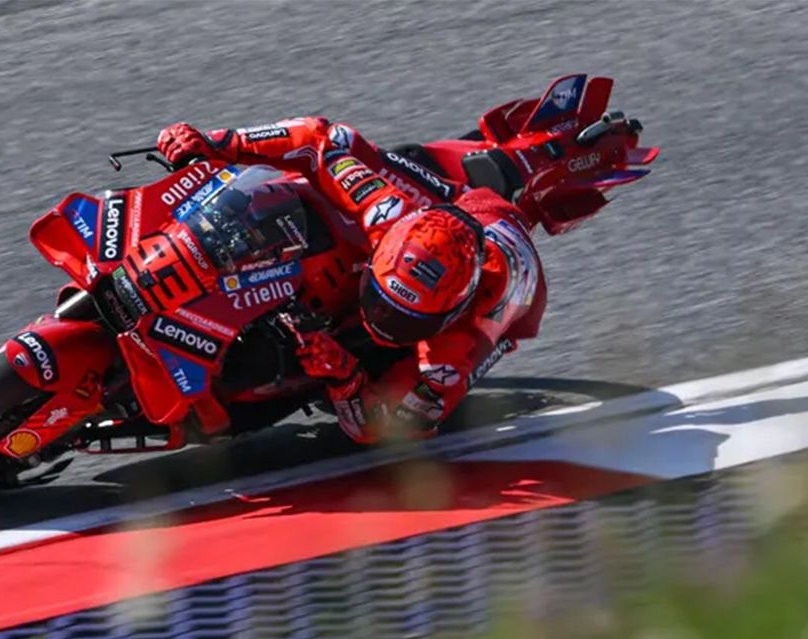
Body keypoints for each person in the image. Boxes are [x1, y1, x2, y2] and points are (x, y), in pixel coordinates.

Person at [157, 118, 547, 443]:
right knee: (349, 145)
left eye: (405, 320)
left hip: (504, 283)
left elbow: (391, 429)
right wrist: (219, 143)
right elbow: (317, 139)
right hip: (462, 208)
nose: (379, 320)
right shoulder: (385, 210)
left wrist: (345, 376)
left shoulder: (455, 349)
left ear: (450, 314)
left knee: (384, 388)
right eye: (378, 303)